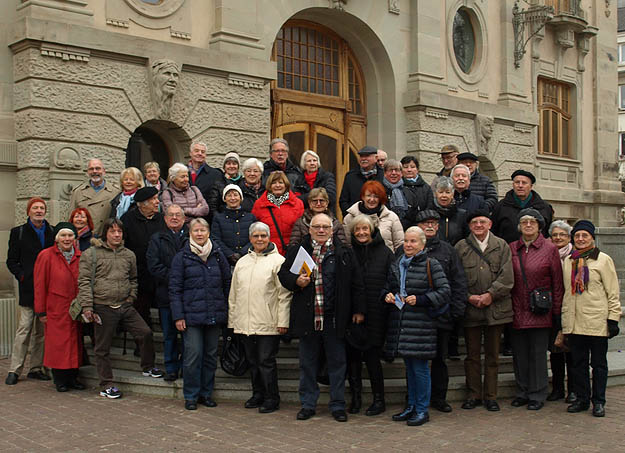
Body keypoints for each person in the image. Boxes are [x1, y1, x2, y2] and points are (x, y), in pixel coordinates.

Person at [278, 213, 365, 422]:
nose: (321, 230)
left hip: (334, 319)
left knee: (337, 363)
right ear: (309, 229)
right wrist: (295, 281)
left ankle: (337, 405)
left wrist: (358, 310)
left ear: (332, 229)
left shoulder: (344, 253)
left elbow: (357, 283)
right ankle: (308, 404)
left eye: (325, 227)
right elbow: (283, 275)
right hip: (308, 318)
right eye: (317, 227)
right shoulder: (299, 251)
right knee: (307, 364)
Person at [78, 218, 163, 400]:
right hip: (102, 306)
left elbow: (133, 279)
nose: (117, 235)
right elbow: (84, 282)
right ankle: (106, 384)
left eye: (119, 232)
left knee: (145, 332)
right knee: (102, 348)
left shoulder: (128, 255)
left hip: (124, 305)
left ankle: (148, 366)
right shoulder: (91, 254)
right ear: (105, 233)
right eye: (112, 231)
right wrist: (87, 306)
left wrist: (131, 296)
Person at [384, 226, 451, 427]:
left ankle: (422, 409)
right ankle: (411, 406)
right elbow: (390, 287)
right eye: (406, 241)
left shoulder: (432, 264)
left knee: (420, 369)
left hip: (421, 325)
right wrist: (387, 295)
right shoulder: (398, 264)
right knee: (410, 368)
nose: (408, 245)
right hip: (402, 324)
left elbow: (445, 291)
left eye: (413, 241)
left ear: (422, 244)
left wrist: (421, 299)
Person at [228, 222, 292, 413]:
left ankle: (272, 398)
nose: (259, 239)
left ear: (269, 237)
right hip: (245, 322)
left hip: (268, 321)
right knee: (252, 361)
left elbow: (284, 294)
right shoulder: (242, 262)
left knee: (266, 361)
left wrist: (283, 321)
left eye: (263, 236)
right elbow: (234, 294)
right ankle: (258, 394)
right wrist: (233, 320)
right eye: (256, 236)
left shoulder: (278, 261)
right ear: (250, 239)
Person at [169, 218, 231, 411]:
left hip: (214, 313)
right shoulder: (182, 257)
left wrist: (227, 309)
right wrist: (178, 316)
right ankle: (191, 395)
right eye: (196, 230)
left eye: (203, 230)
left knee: (211, 356)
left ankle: (206, 393)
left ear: (208, 232)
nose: (199, 234)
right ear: (190, 233)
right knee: (193, 355)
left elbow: (227, 283)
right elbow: (175, 289)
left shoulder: (218, 255)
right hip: (191, 316)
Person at [455, 209, 514, 412]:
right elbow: (456, 278)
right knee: (471, 356)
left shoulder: (501, 246)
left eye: (482, 222)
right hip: (471, 310)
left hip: (496, 309)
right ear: (469, 226)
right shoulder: (461, 247)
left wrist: (490, 294)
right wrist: (468, 297)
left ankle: (490, 395)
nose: (478, 225)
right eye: (474, 222)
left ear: (490, 224)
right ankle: (473, 394)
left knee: (492, 356)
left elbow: (507, 276)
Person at [562, 220, 621, 417]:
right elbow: (567, 293)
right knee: (577, 364)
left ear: (592, 238)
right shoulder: (568, 261)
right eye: (577, 236)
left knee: (598, 364)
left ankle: (599, 401)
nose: (580, 239)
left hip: (597, 320)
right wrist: (565, 322)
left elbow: (612, 291)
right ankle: (582, 398)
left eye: (584, 236)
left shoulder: (603, 259)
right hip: (576, 321)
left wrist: (613, 318)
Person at [509, 209, 563, 411]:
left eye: (533, 221)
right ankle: (522, 391)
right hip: (517, 309)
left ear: (540, 226)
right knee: (520, 354)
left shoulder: (550, 249)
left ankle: (538, 393)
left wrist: (556, 312)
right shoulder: (512, 248)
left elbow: (557, 284)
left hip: (540, 310)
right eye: (524, 222)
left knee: (538, 354)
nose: (528, 225)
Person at [415, 210, 467, 413]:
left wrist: (456, 311)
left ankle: (439, 397)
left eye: (433, 223)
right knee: (416, 360)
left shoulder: (448, 251)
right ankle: (415, 396)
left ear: (438, 226)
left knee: (439, 360)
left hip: (441, 315)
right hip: (416, 316)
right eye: (425, 222)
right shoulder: (407, 248)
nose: (429, 226)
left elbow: (458, 281)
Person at [346, 215, 394, 416]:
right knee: (353, 359)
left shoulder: (385, 253)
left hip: (377, 313)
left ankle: (378, 399)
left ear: (372, 230)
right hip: (352, 314)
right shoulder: (347, 253)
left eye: (365, 229)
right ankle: (356, 398)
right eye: (357, 229)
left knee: (373, 360)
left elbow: (391, 280)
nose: (361, 233)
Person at [5, 198, 54, 385]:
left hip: (48, 289)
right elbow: (11, 261)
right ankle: (15, 369)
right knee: (24, 329)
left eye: (42, 208)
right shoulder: (18, 232)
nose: (39, 211)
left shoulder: (52, 231)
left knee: (41, 332)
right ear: (29, 211)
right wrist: (23, 276)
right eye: (35, 208)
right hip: (28, 288)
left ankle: (36, 367)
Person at [33, 223, 85, 392]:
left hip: (75, 308)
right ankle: (60, 379)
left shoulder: (80, 256)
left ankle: (73, 377)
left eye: (70, 235)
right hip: (55, 307)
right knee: (58, 345)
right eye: (63, 236)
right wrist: (40, 310)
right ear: (57, 238)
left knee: (74, 344)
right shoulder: (46, 256)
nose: (67, 239)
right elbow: (40, 285)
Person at [146, 204, 189, 382]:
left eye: (178, 215)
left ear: (184, 218)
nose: (174, 218)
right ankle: (171, 367)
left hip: (188, 296)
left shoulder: (191, 237)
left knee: (188, 337)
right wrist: (175, 277)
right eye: (170, 215)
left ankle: (187, 369)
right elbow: (154, 265)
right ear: (164, 218)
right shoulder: (157, 239)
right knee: (169, 335)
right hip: (166, 295)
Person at [121, 187, 165, 328]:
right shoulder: (128, 219)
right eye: (153, 199)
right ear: (143, 203)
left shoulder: (161, 219)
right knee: (141, 312)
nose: (157, 202)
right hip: (138, 273)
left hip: (159, 273)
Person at [548, 220, 575, 403]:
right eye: (555, 235)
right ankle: (557, 388)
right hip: (553, 308)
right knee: (556, 351)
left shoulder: (576, 255)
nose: (558, 238)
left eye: (562, 235)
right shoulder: (548, 254)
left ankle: (573, 389)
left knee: (572, 352)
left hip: (573, 308)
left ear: (569, 237)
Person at [492, 170, 553, 244]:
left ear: (531, 186)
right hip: (508, 251)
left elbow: (548, 233)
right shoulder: (500, 206)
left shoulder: (544, 207)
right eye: (517, 182)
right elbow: (493, 233)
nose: (520, 186)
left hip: (538, 252)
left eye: (524, 183)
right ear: (513, 185)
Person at [252, 170, 304, 256]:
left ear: (286, 185)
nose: (277, 185)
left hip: (291, 252)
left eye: (280, 182)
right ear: (269, 185)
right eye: (274, 183)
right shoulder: (259, 204)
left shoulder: (297, 203)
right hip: (267, 252)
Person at [343, 180, 404, 252]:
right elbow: (347, 245)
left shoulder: (392, 217)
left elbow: (399, 245)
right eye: (368, 196)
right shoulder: (350, 218)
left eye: (376, 196)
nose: (372, 199)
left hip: (387, 261)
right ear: (363, 197)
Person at [69, 158, 120, 236]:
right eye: (91, 169)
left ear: (104, 171)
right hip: (84, 238)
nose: (94, 171)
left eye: (98, 168)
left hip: (105, 238)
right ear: (87, 172)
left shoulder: (115, 191)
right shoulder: (78, 192)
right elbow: (71, 217)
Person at [211, 184, 256, 266]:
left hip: (248, 259)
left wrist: (242, 253)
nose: (233, 198)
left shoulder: (250, 217)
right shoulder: (218, 218)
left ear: (241, 198)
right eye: (229, 195)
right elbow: (215, 239)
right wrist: (230, 254)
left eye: (235, 195)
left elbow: (254, 237)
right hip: (225, 260)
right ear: (224, 199)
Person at [339, 145, 384, 216]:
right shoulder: (350, 176)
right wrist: (350, 216)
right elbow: (343, 201)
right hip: (355, 220)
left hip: (378, 219)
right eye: (361, 156)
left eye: (367, 156)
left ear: (376, 158)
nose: (363, 159)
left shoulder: (383, 175)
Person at [187, 141, 223, 222]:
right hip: (184, 219)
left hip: (208, 219)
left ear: (205, 155)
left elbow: (219, 200)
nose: (200, 153)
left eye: (203, 152)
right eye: (196, 151)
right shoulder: (181, 172)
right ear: (190, 153)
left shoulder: (216, 174)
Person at [432, 176, 469, 246]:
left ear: (452, 194)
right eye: (441, 192)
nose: (444, 195)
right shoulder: (430, 214)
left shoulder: (462, 215)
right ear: (436, 194)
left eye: (447, 192)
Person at [400, 155, 434, 227]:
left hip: (422, 224)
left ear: (417, 169)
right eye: (405, 167)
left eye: (412, 167)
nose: (409, 170)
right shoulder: (398, 187)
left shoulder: (426, 187)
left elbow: (430, 206)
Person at [382, 159, 412, 228]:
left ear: (401, 173)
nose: (394, 173)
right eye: (390, 170)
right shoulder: (379, 190)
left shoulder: (408, 189)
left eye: (397, 170)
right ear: (385, 173)